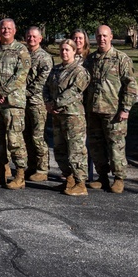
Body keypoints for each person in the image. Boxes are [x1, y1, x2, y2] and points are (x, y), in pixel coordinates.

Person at [84, 25, 138, 194]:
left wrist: (126, 108)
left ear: (111, 37)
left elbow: (131, 85)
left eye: (105, 36)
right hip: (93, 111)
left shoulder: (121, 59)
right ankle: (102, 177)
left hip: (114, 112)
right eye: (99, 36)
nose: (102, 39)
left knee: (116, 146)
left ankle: (119, 178)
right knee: (96, 146)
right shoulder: (91, 59)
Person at [0, 18, 31, 189]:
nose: (5, 30)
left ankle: (20, 175)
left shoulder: (21, 50)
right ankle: (1, 171)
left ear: (15, 30)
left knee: (15, 140)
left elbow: (21, 75)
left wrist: (1, 91)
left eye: (9, 28)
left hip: (13, 103)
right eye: (2, 28)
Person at [45, 39, 90, 196]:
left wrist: (55, 104)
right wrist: (48, 103)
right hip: (57, 116)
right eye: (62, 50)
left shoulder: (79, 71)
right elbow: (46, 87)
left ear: (74, 51)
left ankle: (80, 183)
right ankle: (69, 179)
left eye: (67, 50)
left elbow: (73, 92)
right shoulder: (55, 70)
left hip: (73, 117)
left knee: (75, 150)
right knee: (59, 149)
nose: (64, 52)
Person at [24, 26, 53, 181]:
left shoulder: (45, 58)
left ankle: (42, 169)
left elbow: (41, 82)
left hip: (37, 102)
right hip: (23, 103)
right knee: (26, 136)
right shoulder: (23, 55)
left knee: (38, 136)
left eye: (34, 37)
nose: (31, 39)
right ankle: (32, 165)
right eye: (29, 36)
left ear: (40, 39)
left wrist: (22, 93)